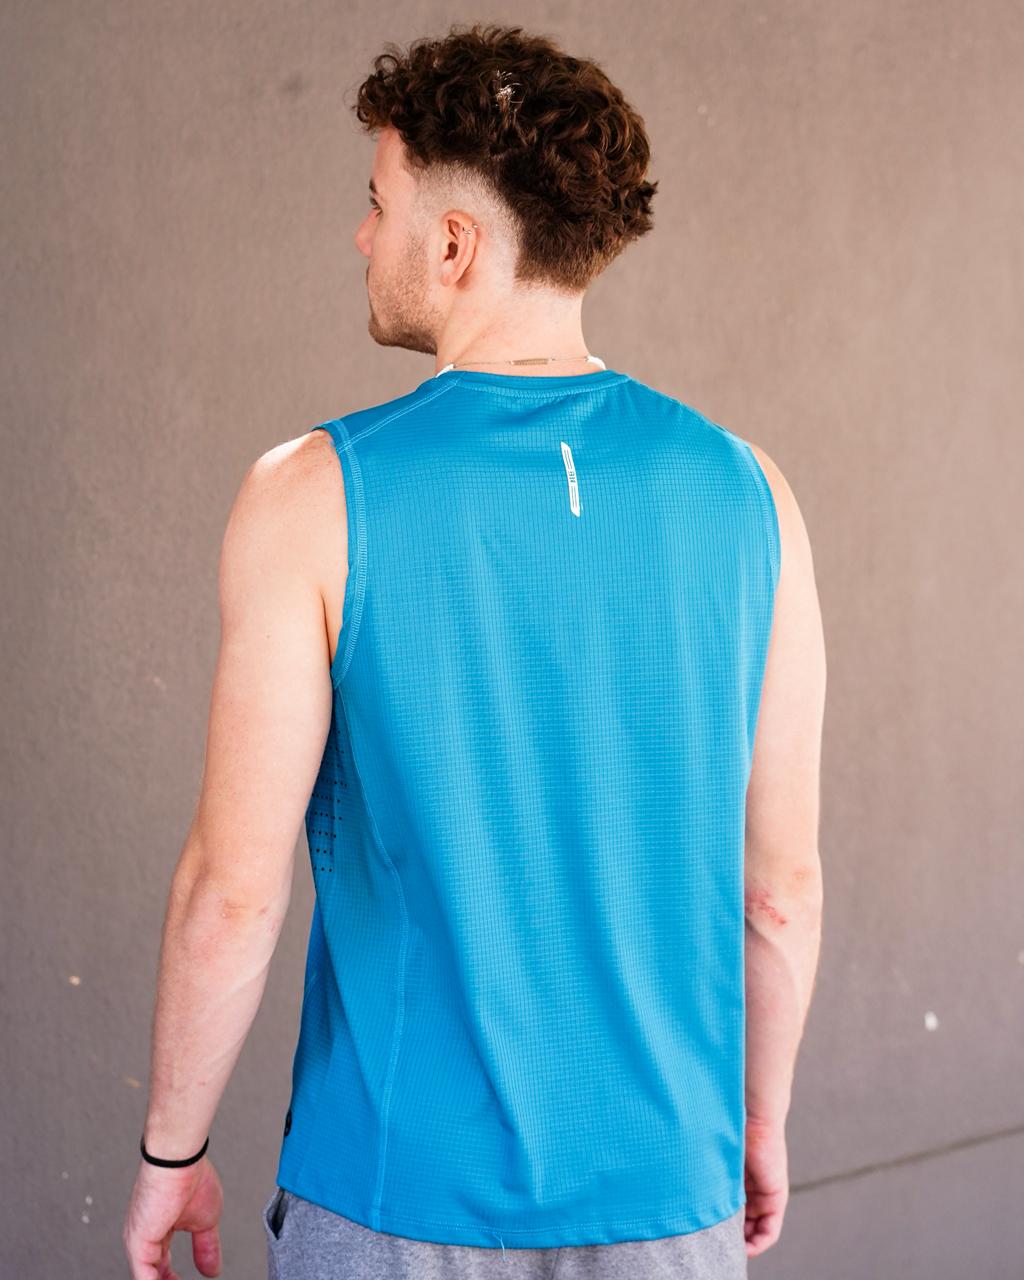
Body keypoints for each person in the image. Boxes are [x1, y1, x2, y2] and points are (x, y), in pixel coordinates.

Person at [123, 21, 825, 1280]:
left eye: (375, 202)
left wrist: (172, 1151)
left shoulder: (310, 496)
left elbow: (232, 889)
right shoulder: (750, 492)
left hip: (395, 1201)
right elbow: (778, 889)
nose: (361, 236)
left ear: (452, 243)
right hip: (673, 1195)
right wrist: (758, 1122)